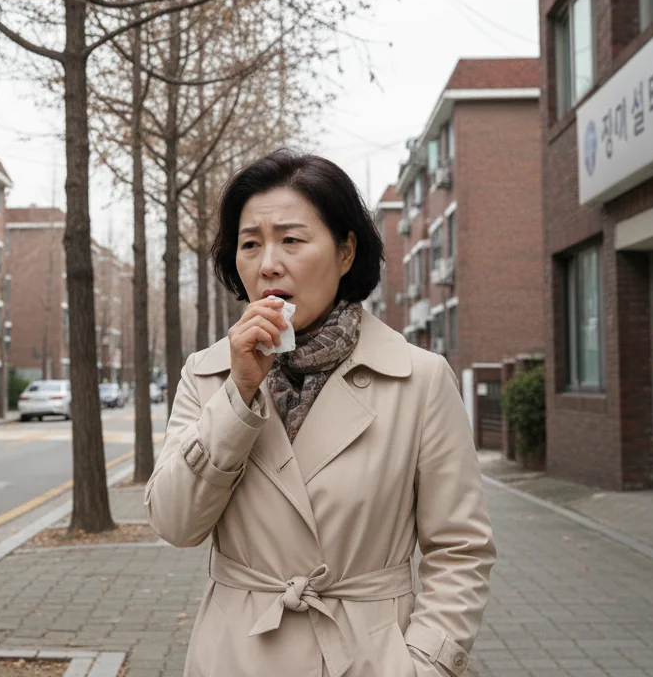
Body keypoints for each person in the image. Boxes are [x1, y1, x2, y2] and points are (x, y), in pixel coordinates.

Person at [145, 150, 494, 677]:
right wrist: (239, 395)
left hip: (372, 657)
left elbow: (461, 549)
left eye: (291, 239)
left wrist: (424, 662)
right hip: (236, 655)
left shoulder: (418, 378)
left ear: (346, 251)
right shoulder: (209, 373)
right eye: (250, 244)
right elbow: (175, 523)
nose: (268, 264)